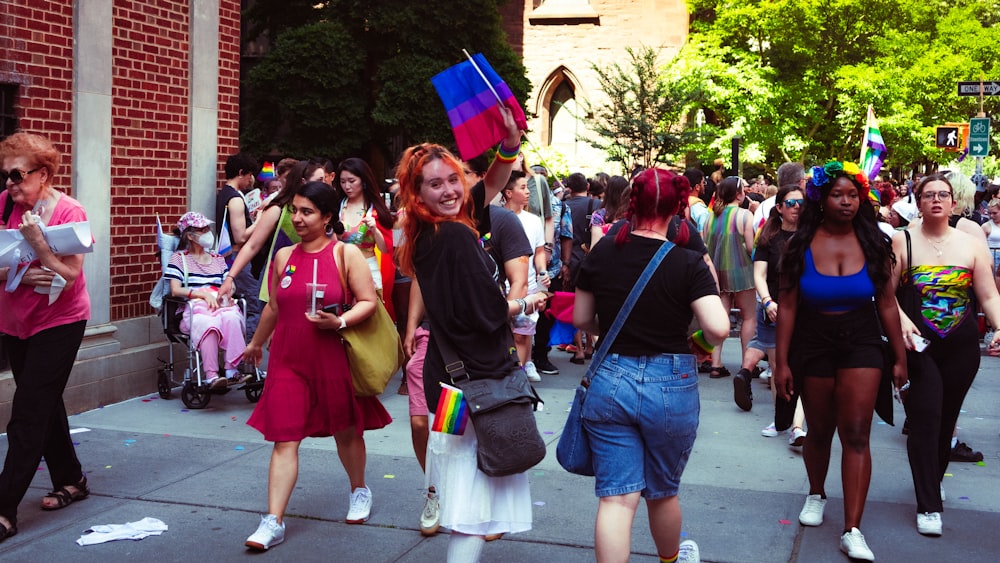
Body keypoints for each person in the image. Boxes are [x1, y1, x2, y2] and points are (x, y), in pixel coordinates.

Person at [395, 135, 546, 562]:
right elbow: (489, 314)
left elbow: (493, 181)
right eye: (434, 184)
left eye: (453, 180)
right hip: (475, 385)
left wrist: (510, 143)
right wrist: (523, 302)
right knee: (471, 509)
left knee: (460, 491)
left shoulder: (434, 229)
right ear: (417, 192)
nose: (449, 191)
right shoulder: (455, 237)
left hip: (448, 381)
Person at [574, 168, 729, 563]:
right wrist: (696, 344)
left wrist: (608, 328)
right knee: (662, 490)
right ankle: (670, 560)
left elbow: (581, 319)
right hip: (670, 383)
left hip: (610, 378)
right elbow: (718, 327)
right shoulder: (688, 262)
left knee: (617, 498)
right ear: (678, 208)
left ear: (632, 203)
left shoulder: (603, 252)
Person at [242, 181, 392, 551]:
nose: (298, 218)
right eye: (295, 210)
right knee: (284, 438)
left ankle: (359, 489)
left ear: (327, 217)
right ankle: (273, 520)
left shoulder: (346, 254)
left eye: (307, 211)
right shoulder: (283, 256)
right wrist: (257, 342)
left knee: (345, 430)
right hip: (288, 359)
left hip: (330, 356)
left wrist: (339, 322)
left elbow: (367, 301)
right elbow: (276, 306)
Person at [774, 161, 907, 562]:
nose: (847, 202)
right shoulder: (799, 244)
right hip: (812, 341)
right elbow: (789, 307)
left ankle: (853, 527)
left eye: (853, 195)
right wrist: (781, 363)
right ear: (821, 198)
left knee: (856, 432)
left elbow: (887, 304)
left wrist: (899, 359)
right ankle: (816, 492)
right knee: (818, 429)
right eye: (838, 194)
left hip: (862, 341)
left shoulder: (873, 244)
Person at [892, 173, 1000, 537]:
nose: (936, 200)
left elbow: (988, 296)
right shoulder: (901, 240)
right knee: (924, 418)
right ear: (918, 202)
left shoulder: (972, 245)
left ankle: (930, 482)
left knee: (944, 421)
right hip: (919, 347)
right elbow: (885, 294)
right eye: (928, 195)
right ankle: (928, 505)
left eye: (944, 195)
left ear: (954, 203)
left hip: (962, 348)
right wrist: (903, 321)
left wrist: (999, 327)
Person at [0, 132, 92, 541]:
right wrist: (18, 272)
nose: (9, 184)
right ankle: (72, 478)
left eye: (17, 175)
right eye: (5, 175)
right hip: (15, 321)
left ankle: (4, 510)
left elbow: (69, 277)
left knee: (28, 411)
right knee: (43, 398)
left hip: (60, 321)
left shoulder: (68, 210)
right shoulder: (2, 207)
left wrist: (39, 246)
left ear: (43, 174)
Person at [737, 182, 807, 447]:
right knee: (780, 367)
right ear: (779, 207)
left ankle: (797, 426)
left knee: (800, 366)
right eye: (791, 203)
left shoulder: (811, 236)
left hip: (806, 309)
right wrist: (767, 302)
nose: (797, 208)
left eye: (801, 203)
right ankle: (782, 419)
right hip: (775, 310)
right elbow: (759, 274)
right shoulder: (769, 236)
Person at [219, 160, 324, 304]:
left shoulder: (324, 212)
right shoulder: (278, 209)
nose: (325, 184)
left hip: (314, 278)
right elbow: (252, 245)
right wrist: (230, 278)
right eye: (319, 180)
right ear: (303, 182)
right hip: (278, 279)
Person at [166, 212, 246, 389]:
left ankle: (232, 370)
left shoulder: (218, 259)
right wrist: (202, 294)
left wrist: (228, 292)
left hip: (220, 305)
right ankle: (211, 376)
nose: (208, 232)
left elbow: (229, 283)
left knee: (232, 318)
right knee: (208, 325)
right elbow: (175, 289)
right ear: (190, 235)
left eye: (207, 228)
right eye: (202, 229)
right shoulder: (180, 259)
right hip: (194, 310)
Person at [702, 176, 756, 379]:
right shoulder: (744, 215)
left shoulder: (710, 217)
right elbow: (751, 248)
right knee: (749, 317)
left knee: (720, 317)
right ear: (739, 194)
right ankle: (746, 365)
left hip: (717, 274)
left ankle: (716, 363)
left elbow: (705, 246)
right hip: (743, 273)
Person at [501, 171, 548, 381]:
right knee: (505, 334)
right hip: (501, 285)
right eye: (522, 187)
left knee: (522, 334)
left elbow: (539, 253)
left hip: (528, 285)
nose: (528, 192)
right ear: (508, 192)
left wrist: (543, 272)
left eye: (527, 187)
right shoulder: (496, 218)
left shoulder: (534, 221)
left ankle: (518, 378)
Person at [215, 153, 262, 337]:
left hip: (227, 258)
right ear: (241, 172)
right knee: (252, 303)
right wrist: (260, 221)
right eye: (250, 175)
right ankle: (247, 354)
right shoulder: (235, 199)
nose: (251, 180)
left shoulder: (223, 194)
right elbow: (241, 236)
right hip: (237, 259)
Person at [335, 158, 394, 297]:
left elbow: (386, 248)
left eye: (352, 181)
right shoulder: (336, 207)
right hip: (339, 268)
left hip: (368, 267)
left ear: (363, 180)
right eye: (343, 182)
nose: (347, 186)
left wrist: (375, 230)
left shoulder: (376, 210)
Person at [589, 175, 630, 249]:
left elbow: (595, 246)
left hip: (606, 257)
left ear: (607, 192)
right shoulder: (632, 215)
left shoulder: (599, 215)